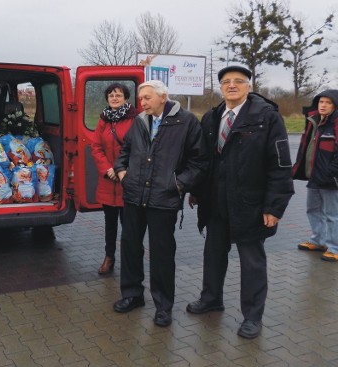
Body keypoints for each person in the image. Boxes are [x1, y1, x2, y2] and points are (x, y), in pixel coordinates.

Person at [187, 66, 294, 340]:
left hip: (250, 205)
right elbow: (203, 160)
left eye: (238, 81)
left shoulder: (266, 117)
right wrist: (196, 190)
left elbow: (280, 165)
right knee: (213, 254)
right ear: (220, 87)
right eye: (226, 82)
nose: (231, 86)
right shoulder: (211, 117)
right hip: (216, 202)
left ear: (248, 85)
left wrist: (274, 206)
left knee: (252, 262)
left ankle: (252, 317)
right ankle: (211, 298)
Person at [113, 80, 207, 327]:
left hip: (163, 199)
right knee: (130, 248)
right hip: (134, 196)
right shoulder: (139, 121)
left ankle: (163, 306)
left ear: (163, 97)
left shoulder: (186, 122)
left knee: (162, 254)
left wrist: (178, 184)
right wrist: (123, 173)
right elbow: (125, 152)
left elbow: (199, 161)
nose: (141, 102)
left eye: (146, 98)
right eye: (140, 98)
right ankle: (132, 295)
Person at [90, 83, 139, 275]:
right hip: (108, 180)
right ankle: (109, 257)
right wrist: (108, 169)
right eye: (111, 95)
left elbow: (138, 148)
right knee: (109, 225)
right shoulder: (103, 120)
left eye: (118, 95)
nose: (114, 98)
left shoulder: (135, 119)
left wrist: (122, 170)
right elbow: (96, 147)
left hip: (127, 179)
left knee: (129, 227)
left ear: (126, 97)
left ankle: (131, 262)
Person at [292, 89, 338, 262]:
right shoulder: (313, 121)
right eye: (320, 102)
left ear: (335, 106)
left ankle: (335, 247)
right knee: (313, 209)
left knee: (332, 214)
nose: (323, 105)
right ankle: (318, 241)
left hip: (330, 179)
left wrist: (331, 172)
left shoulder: (336, 123)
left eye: (327, 102)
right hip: (315, 176)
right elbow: (305, 148)